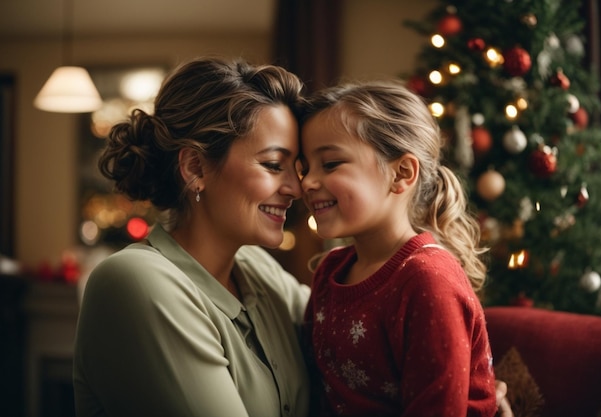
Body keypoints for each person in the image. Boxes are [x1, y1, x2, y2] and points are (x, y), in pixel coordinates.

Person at [73, 56, 312, 417]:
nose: (296, 187)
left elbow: (354, 339)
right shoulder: (135, 282)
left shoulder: (257, 269)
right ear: (195, 167)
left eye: (297, 168)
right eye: (273, 165)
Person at [299, 80, 498, 416]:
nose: (306, 182)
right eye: (305, 168)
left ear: (402, 174)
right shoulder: (330, 271)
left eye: (330, 164)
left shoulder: (428, 281)